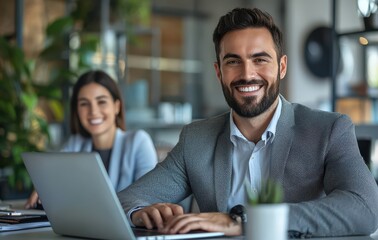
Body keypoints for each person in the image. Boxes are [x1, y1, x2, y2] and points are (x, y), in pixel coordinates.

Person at [118, 7, 378, 237]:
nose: (247, 74)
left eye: (260, 59)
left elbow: (366, 208)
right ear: (218, 71)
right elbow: (127, 199)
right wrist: (141, 212)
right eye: (233, 61)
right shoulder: (195, 139)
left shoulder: (328, 130)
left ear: (282, 67)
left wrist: (242, 220)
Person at [25, 70, 158, 209]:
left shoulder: (138, 142)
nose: (93, 111)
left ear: (116, 107)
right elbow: (53, 178)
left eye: (101, 102)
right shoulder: (75, 144)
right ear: (77, 110)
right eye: (84, 103)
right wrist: (45, 188)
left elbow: (148, 198)